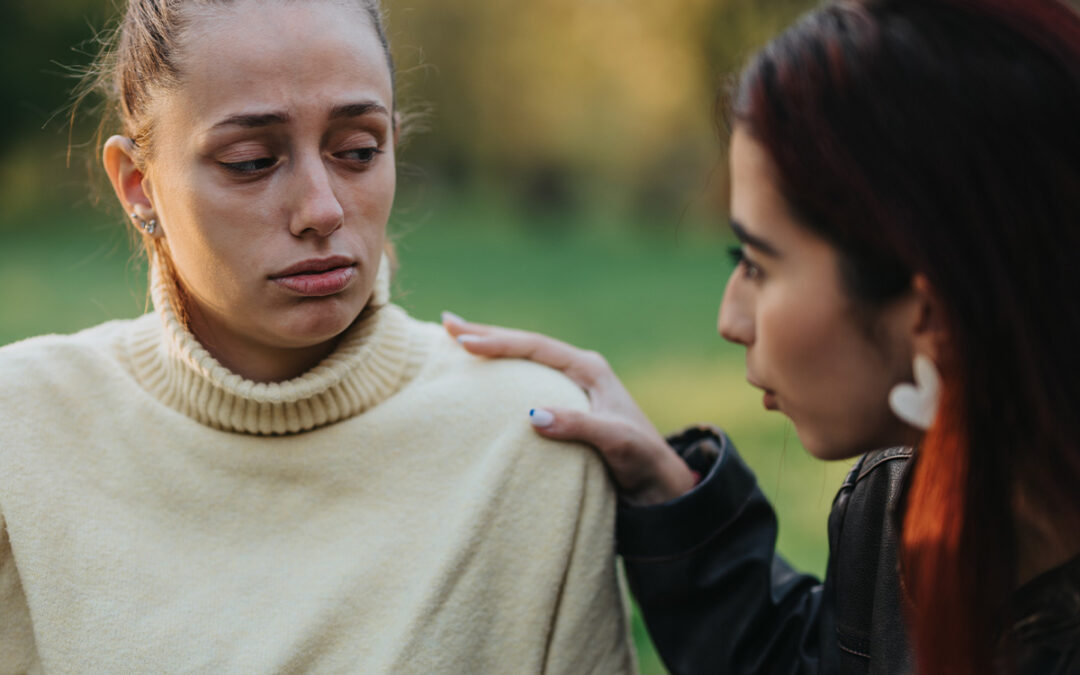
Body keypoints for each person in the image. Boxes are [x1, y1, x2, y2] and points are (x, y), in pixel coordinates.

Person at [443, 0, 1080, 672]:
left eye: (756, 264)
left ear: (928, 313)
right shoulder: (899, 506)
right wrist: (671, 492)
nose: (729, 319)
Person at [0, 1, 635, 672]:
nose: (323, 209)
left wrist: (694, 516)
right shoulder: (22, 431)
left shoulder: (529, 438)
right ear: (139, 185)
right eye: (250, 161)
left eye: (359, 151)